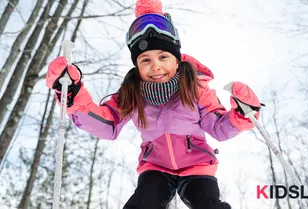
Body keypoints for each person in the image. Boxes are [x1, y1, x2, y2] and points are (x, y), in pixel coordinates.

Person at [45, 0, 263, 208]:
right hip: (156, 167)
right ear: (137, 66)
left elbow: (218, 127)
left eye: (163, 57)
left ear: (177, 60)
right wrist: (73, 94)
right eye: (145, 60)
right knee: (142, 204)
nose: (155, 66)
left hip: (197, 165)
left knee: (207, 204)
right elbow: (107, 124)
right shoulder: (132, 92)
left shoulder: (195, 88)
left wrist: (243, 115)